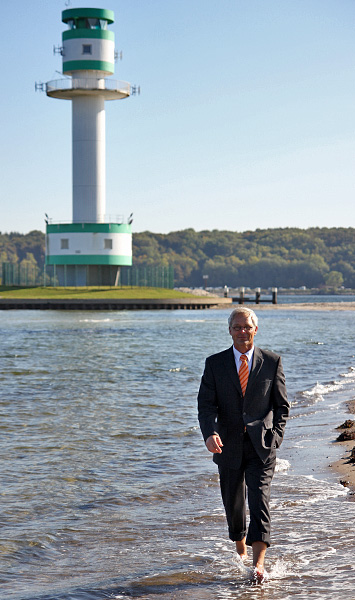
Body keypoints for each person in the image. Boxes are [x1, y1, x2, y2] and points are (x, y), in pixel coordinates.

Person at [197, 307, 289, 582]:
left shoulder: (272, 361)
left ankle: (259, 564)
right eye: (237, 327)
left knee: (260, 501)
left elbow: (281, 406)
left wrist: (275, 438)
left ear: (255, 329)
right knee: (233, 502)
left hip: (262, 445)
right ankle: (240, 548)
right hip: (227, 445)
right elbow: (205, 406)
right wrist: (209, 434)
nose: (242, 331)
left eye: (247, 327)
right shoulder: (215, 363)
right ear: (230, 331)